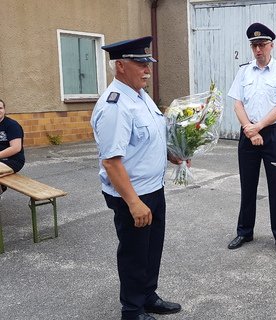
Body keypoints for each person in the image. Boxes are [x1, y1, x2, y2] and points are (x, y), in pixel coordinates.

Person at [90, 36, 186, 320]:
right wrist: (133, 203)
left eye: (148, 63)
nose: (147, 69)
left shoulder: (141, 97)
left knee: (151, 249)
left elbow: (148, 139)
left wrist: (172, 155)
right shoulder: (115, 105)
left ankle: (147, 296)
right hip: (131, 194)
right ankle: (132, 310)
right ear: (120, 66)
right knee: (134, 253)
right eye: (140, 63)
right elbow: (111, 161)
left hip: (153, 188)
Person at [227, 22, 276, 257]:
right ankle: (245, 231)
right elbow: (237, 102)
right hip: (248, 133)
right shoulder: (244, 71)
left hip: (273, 134)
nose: (258, 49)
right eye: (254, 45)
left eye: (262, 44)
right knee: (247, 185)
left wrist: (258, 127)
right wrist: (249, 129)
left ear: (271, 45)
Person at [0, 99, 25, 197]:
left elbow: (15, 148)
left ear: (4, 110)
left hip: (12, 160)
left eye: (0, 108)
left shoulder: (12, 125)